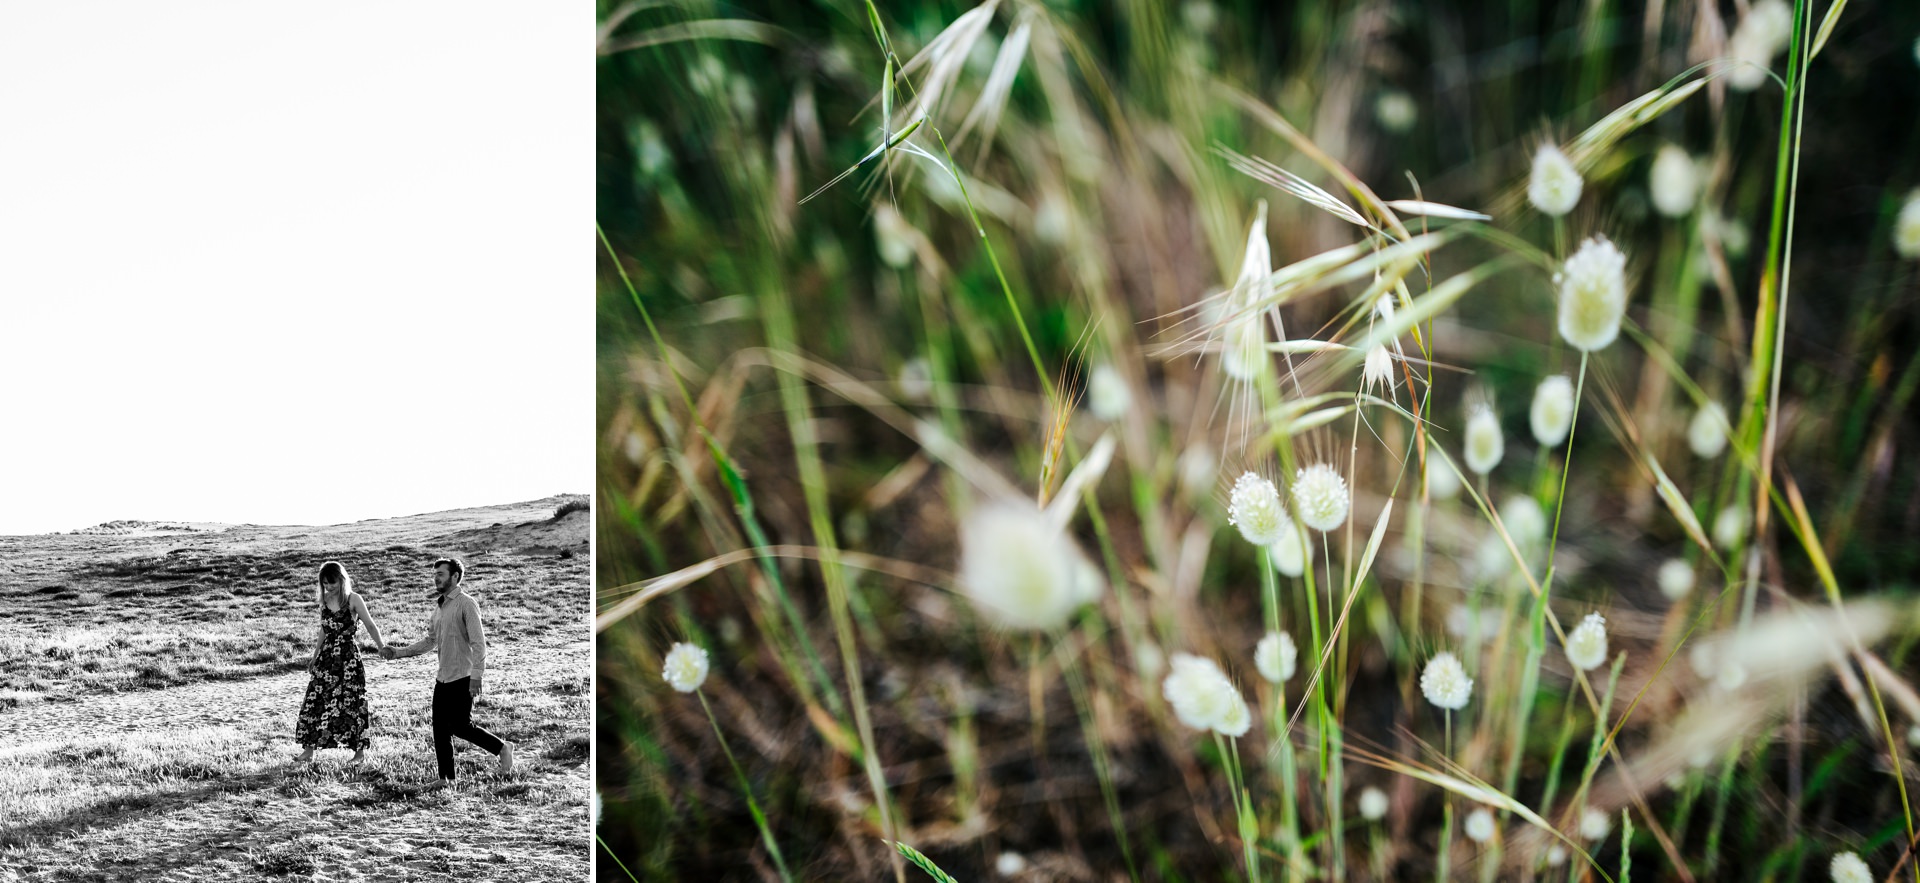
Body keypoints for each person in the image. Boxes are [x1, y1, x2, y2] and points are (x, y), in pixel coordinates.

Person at [383, 556, 514, 787]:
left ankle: (502, 748)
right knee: (440, 730)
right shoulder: (440, 607)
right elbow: (430, 641)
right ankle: (446, 779)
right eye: (434, 574)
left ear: (455, 576)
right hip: (442, 678)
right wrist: (399, 652)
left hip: (463, 676)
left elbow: (479, 643)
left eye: (440, 574)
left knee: (460, 726)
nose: (436, 578)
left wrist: (477, 675)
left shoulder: (466, 603)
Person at [294, 560, 386, 764]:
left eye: (332, 583)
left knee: (352, 702)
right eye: (325, 583)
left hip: (348, 659)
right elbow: (323, 630)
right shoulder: (325, 600)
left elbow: (370, 625)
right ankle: (308, 751)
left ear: (342, 579)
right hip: (327, 658)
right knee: (314, 700)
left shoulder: (354, 599)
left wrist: (381, 646)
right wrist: (315, 655)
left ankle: (359, 754)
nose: (328, 587)